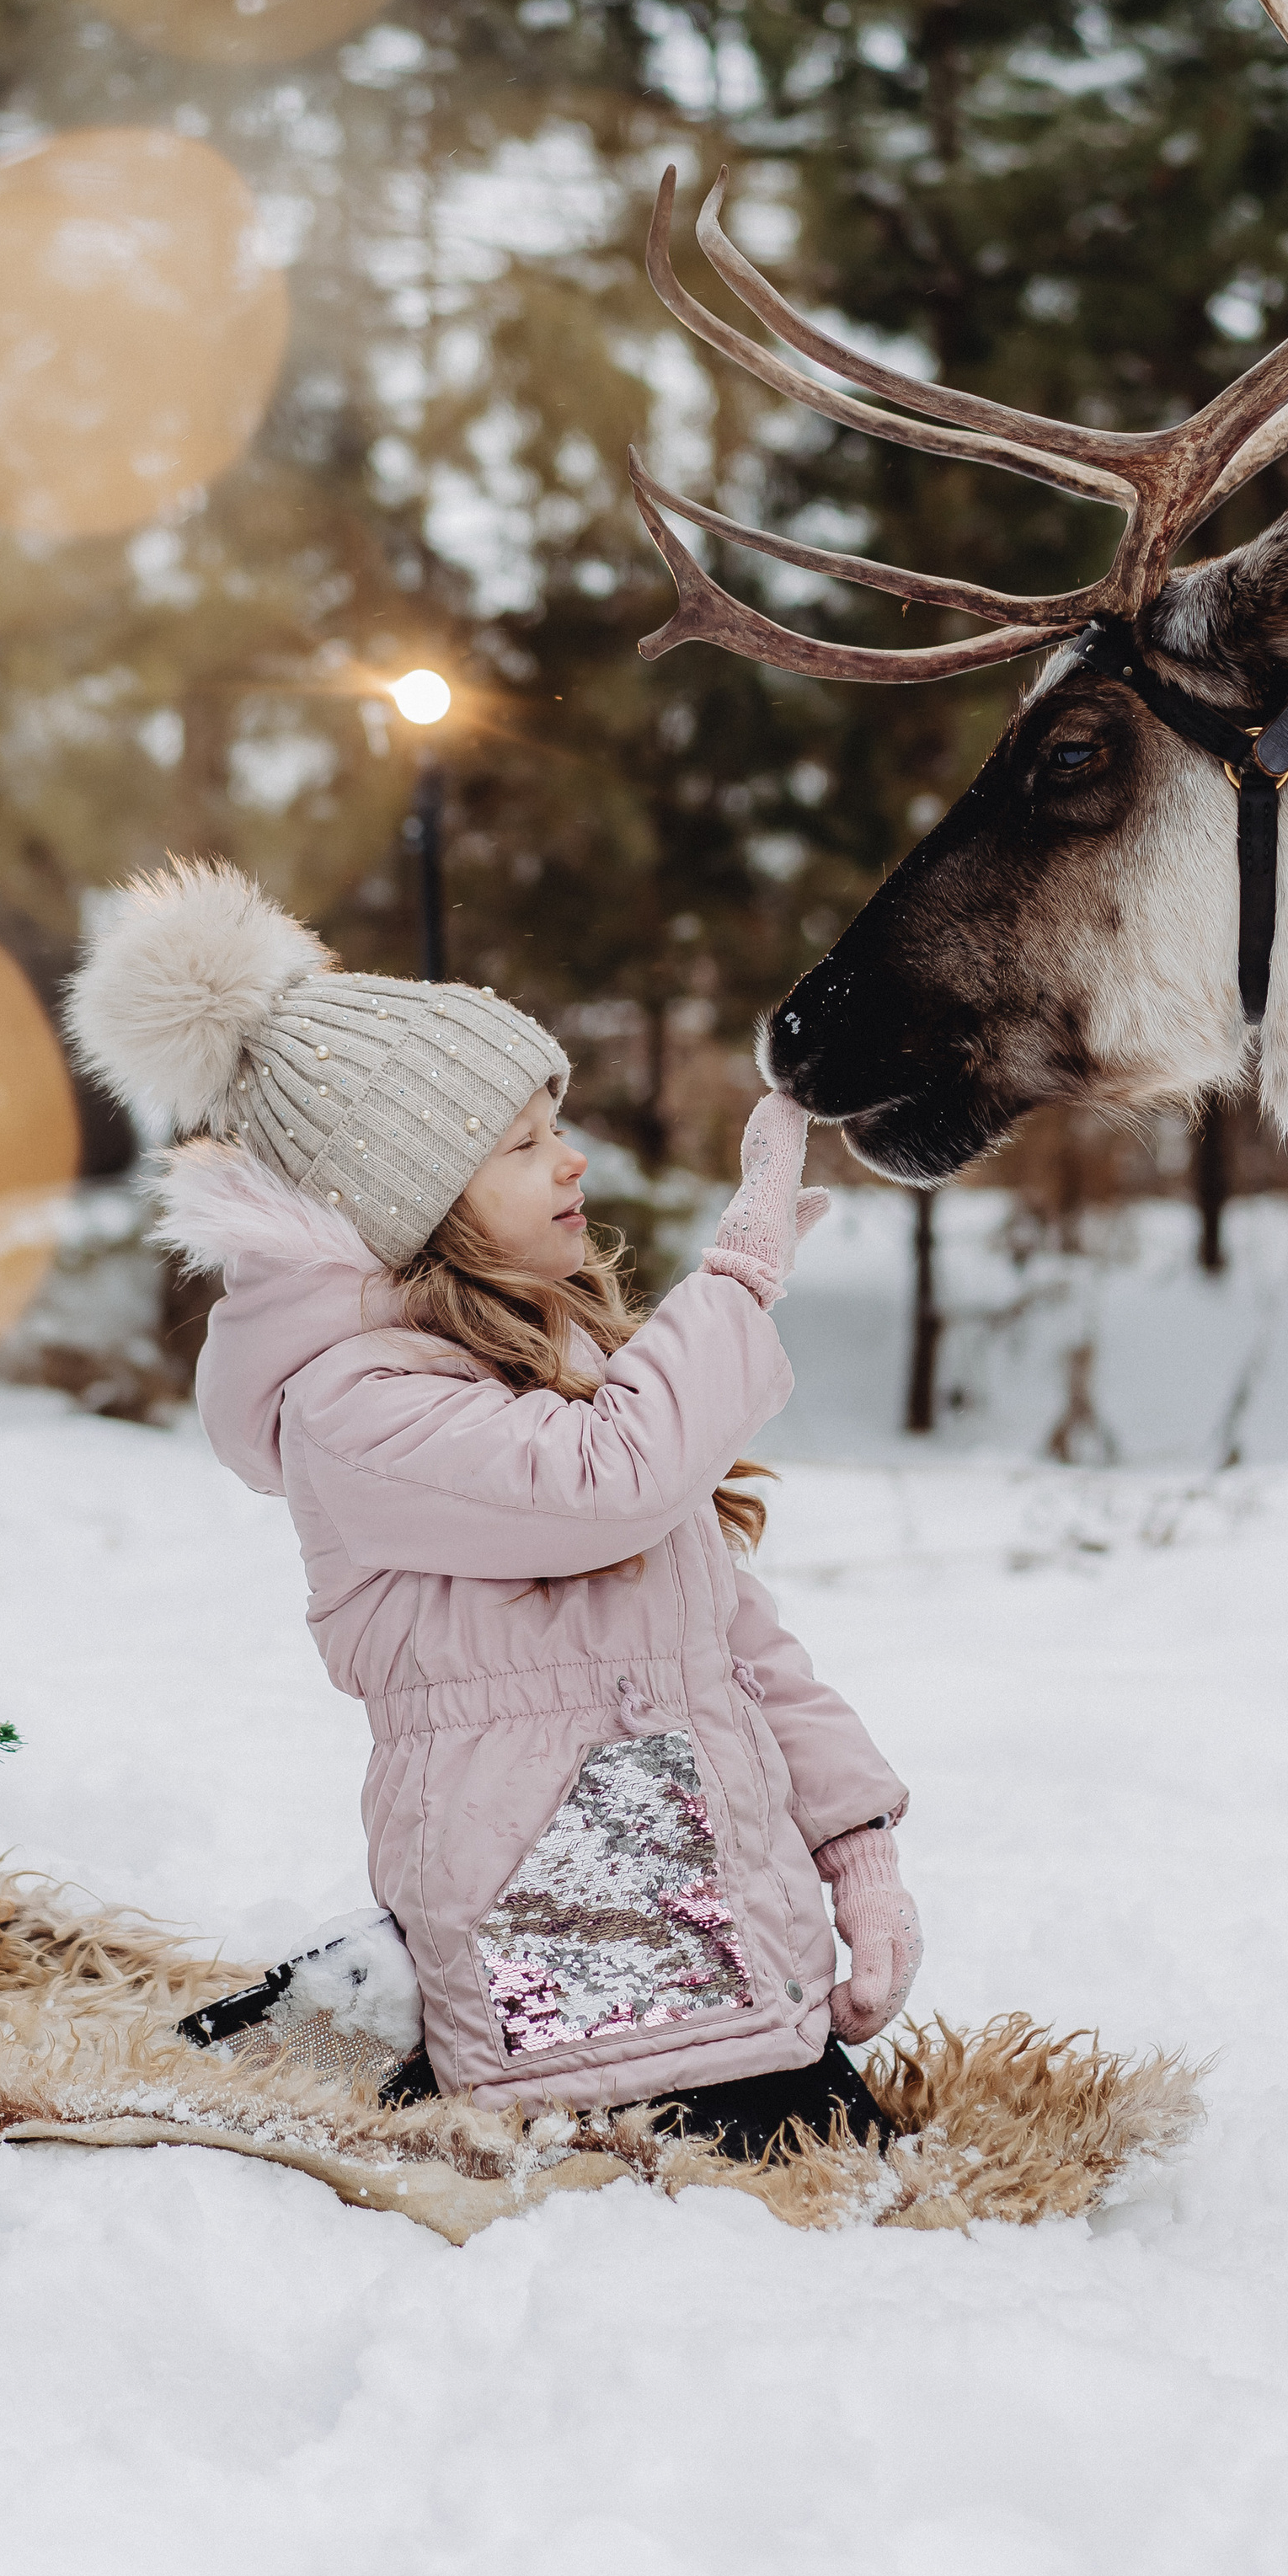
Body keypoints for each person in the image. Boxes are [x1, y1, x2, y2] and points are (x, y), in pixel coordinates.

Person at [67, 863, 923, 2161]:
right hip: (573, 1952)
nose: (571, 1157)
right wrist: (740, 1275)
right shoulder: (352, 1411)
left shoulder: (544, 1371)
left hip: (723, 1948)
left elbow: (731, 1644)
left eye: (553, 1122)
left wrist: (855, 1848)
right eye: (521, 1144)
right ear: (411, 1203)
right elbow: (610, 1483)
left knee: (869, 2218)